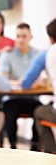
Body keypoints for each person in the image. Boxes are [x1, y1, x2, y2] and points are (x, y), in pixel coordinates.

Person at [0, 23, 41, 150]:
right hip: (12, 99)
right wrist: (19, 82)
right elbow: (1, 78)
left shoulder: (38, 55)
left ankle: (35, 148)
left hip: (32, 99)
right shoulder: (8, 55)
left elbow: (45, 79)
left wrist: (37, 82)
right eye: (18, 36)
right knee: (9, 110)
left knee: (40, 111)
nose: (20, 39)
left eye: (24, 36)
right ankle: (12, 147)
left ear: (30, 37)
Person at [34, 18, 56, 153]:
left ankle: (51, 153)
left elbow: (28, 81)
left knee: (39, 112)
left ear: (51, 38)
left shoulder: (50, 53)